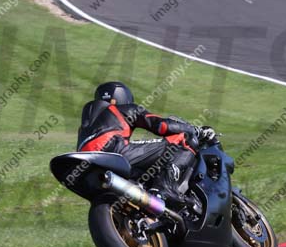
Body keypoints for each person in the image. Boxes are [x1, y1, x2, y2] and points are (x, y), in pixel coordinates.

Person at [77, 82, 216, 207]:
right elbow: (161, 126)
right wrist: (194, 130)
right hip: (114, 152)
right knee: (182, 138)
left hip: (87, 163)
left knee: (144, 173)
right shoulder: (123, 109)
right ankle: (166, 188)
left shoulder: (88, 120)